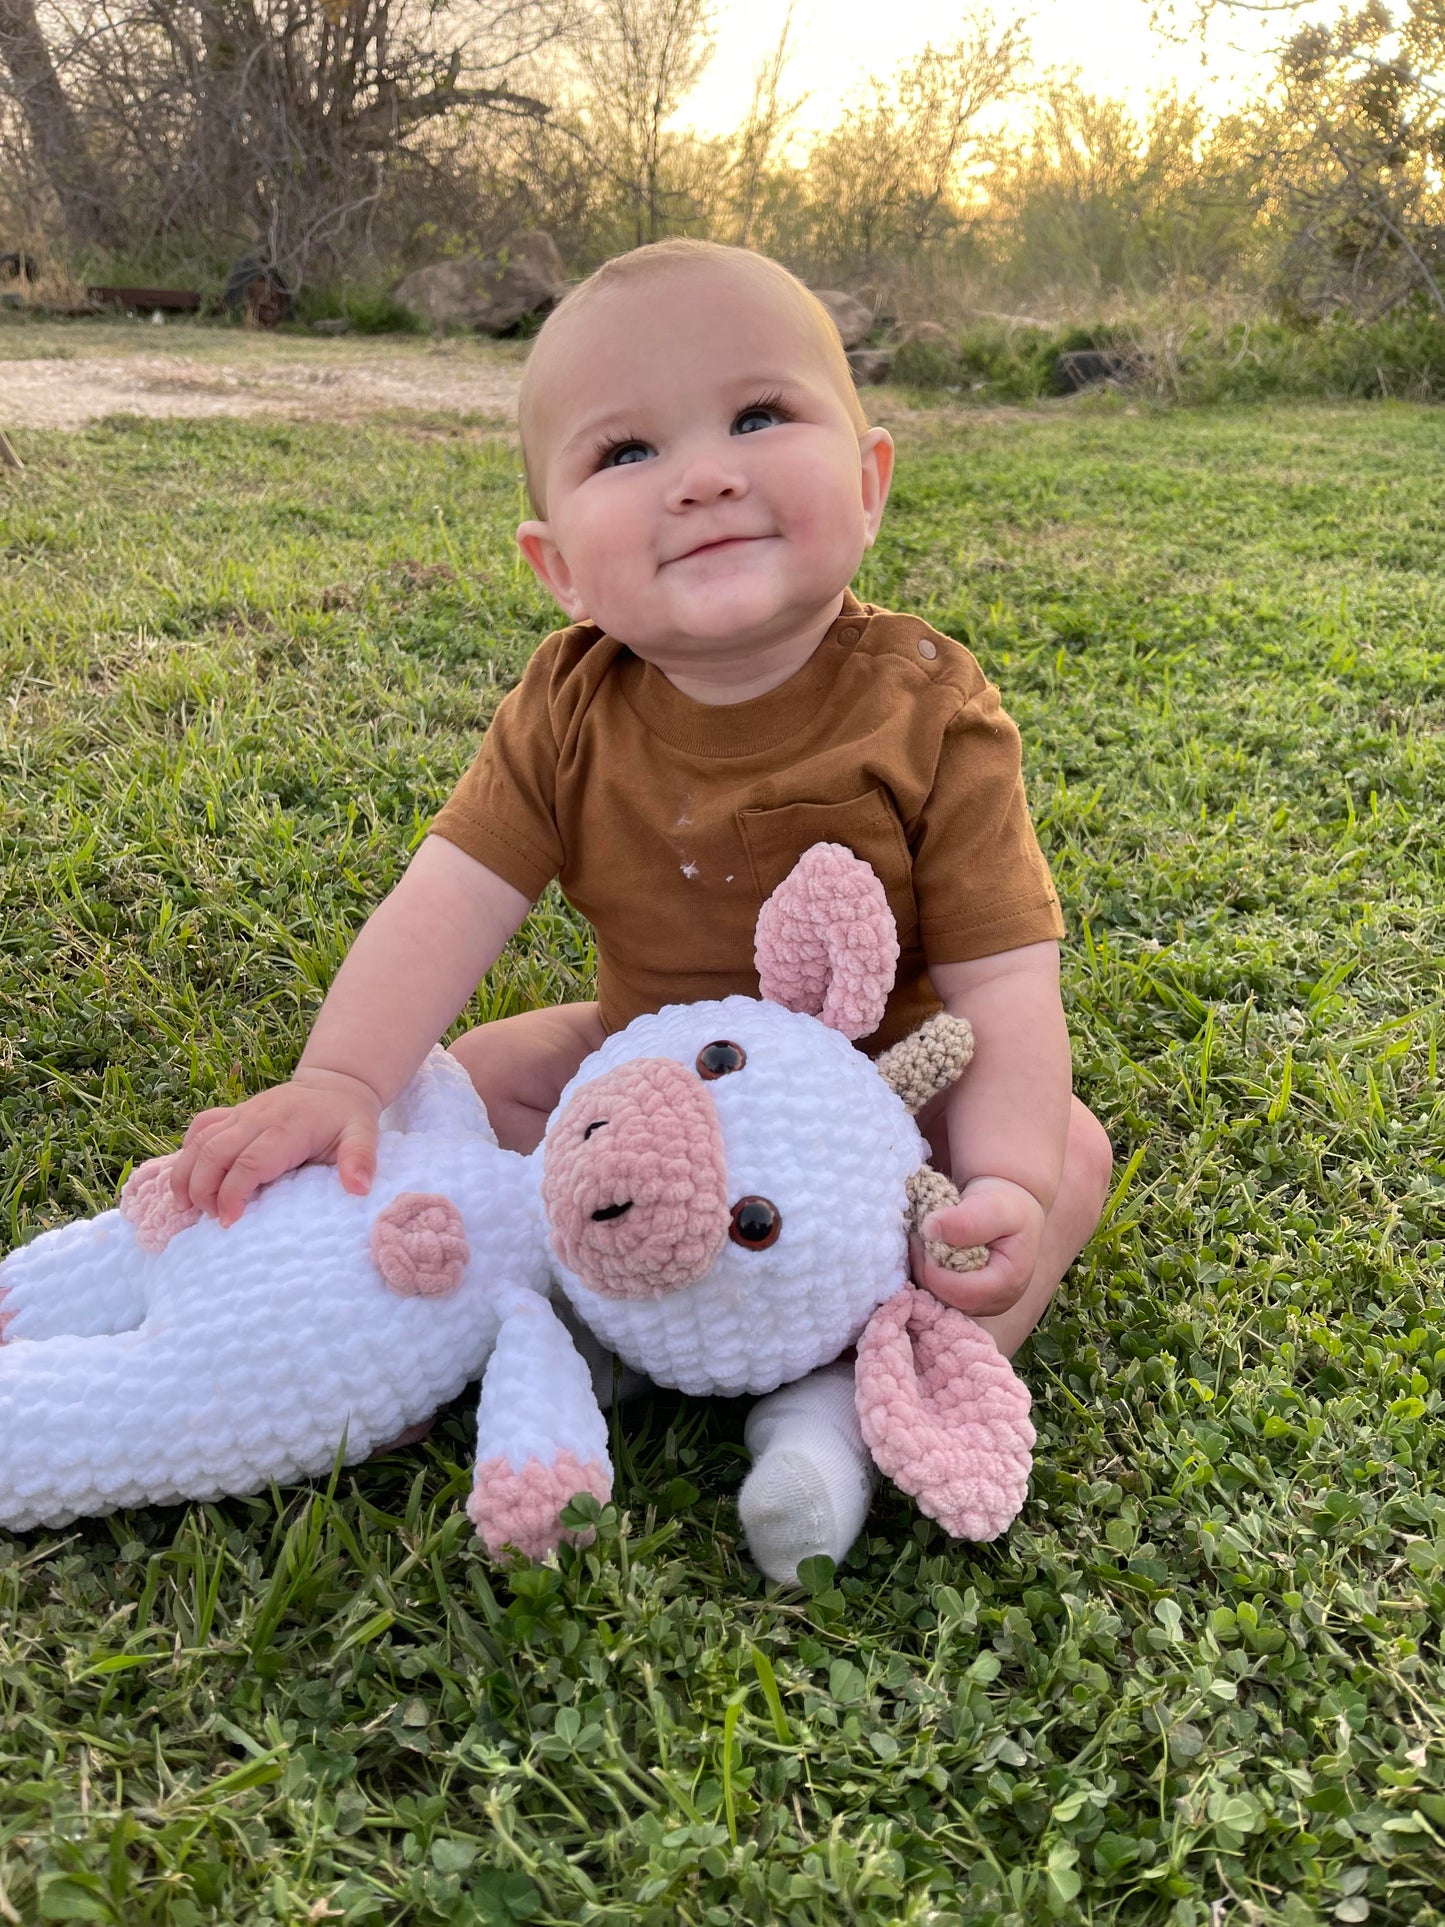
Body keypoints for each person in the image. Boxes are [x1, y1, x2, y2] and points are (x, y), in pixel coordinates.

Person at [169, 239, 1112, 1579]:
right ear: (556, 567)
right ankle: (496, 1310)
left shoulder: (927, 707)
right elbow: (446, 903)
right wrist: (337, 1077)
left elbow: (1003, 989)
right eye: (627, 453)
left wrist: (1002, 1180)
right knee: (471, 1077)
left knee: (1064, 1152)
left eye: (757, 416)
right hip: (653, 1089)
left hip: (872, 1107)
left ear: (867, 479)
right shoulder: (568, 706)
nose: (704, 474)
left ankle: (859, 1395)